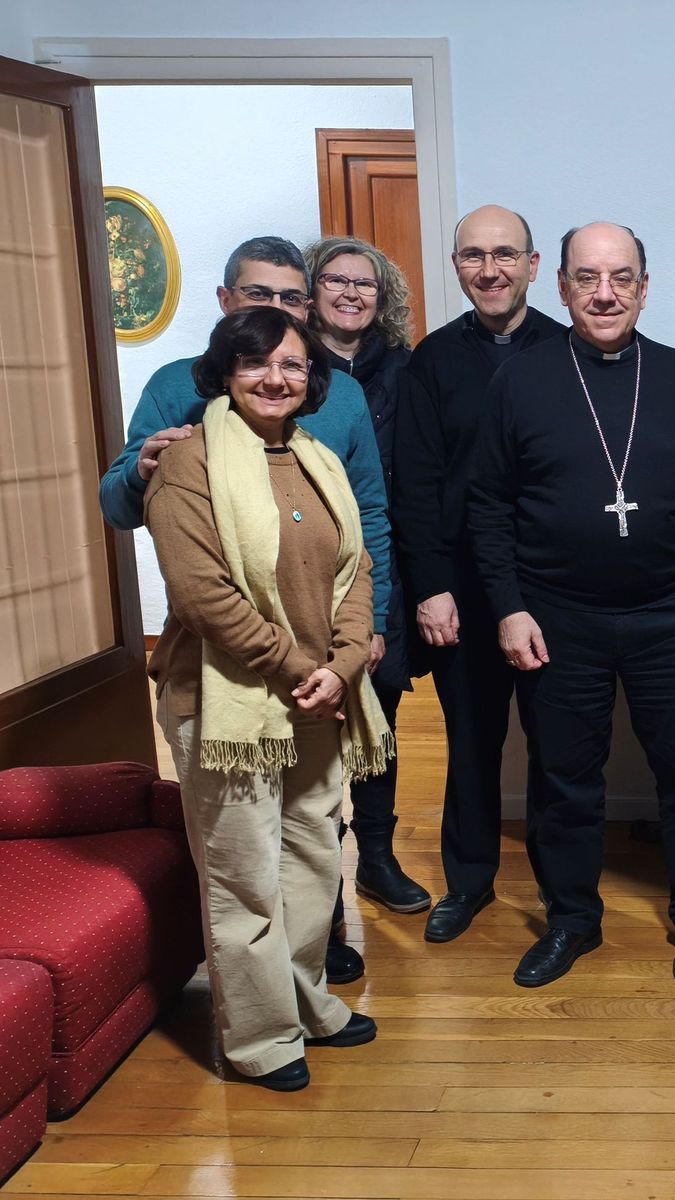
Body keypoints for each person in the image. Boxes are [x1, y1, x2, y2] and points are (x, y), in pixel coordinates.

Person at [100, 235, 392, 987]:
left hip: (328, 657)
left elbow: (366, 526)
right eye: (259, 297)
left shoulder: (339, 398)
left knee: (312, 834)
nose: (277, 320)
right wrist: (142, 469)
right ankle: (262, 1022)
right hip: (231, 668)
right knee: (244, 854)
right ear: (227, 304)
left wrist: (365, 635)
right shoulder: (179, 395)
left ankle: (311, 969)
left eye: (292, 300)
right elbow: (123, 507)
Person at [469, 221, 675, 990]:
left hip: (672, 613)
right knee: (565, 779)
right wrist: (509, 606)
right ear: (562, 286)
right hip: (559, 617)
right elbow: (487, 503)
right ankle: (572, 920)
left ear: (646, 287)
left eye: (621, 278)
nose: (604, 293)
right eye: (587, 277)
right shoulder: (521, 379)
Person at [144, 307, 393, 1091]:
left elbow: (355, 573)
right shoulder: (190, 464)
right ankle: (258, 1037)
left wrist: (346, 663)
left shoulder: (318, 457)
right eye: (255, 365)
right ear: (224, 373)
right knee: (244, 873)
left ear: (312, 378)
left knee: (314, 860)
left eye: (291, 365)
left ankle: (306, 1002)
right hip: (226, 702)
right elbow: (201, 594)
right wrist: (297, 666)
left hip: (319, 695)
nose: (275, 379)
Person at [393, 205, 566, 943]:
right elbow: (415, 481)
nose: (489, 269)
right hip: (461, 587)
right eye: (473, 256)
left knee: (558, 747)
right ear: (457, 266)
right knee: (471, 743)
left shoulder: (569, 351)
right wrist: (430, 583)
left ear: (532, 266)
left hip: (554, 586)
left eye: (505, 255)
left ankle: (566, 893)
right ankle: (468, 883)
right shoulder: (431, 360)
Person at [302, 235, 430, 919]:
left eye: (366, 284)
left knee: (377, 717)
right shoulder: (283, 366)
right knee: (308, 727)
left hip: (385, 567)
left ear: (384, 298)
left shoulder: (409, 369)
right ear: (312, 289)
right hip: (305, 569)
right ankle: (318, 871)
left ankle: (376, 858)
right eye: (336, 280)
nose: (351, 293)